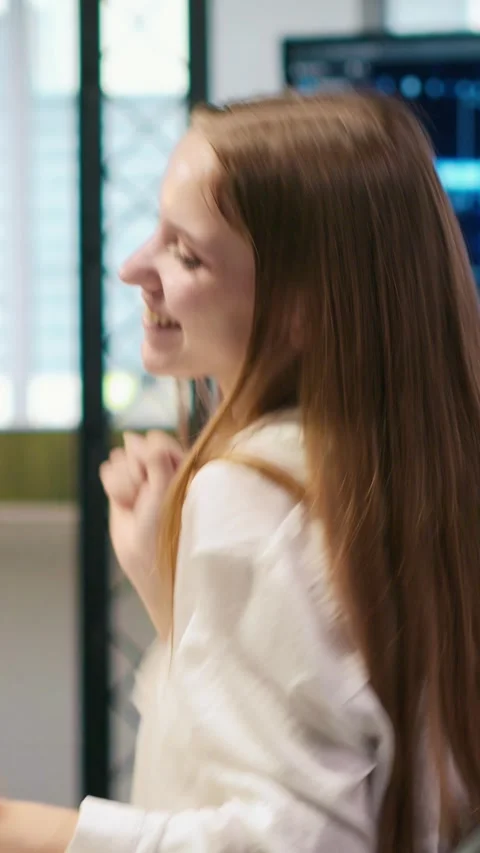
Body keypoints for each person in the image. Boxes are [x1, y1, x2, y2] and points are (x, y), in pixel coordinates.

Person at [1, 89, 480, 853]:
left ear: (303, 307)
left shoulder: (250, 491)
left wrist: (28, 830)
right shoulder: (414, 469)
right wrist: (174, 595)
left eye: (184, 253)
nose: (133, 268)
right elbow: (334, 741)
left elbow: (295, 841)